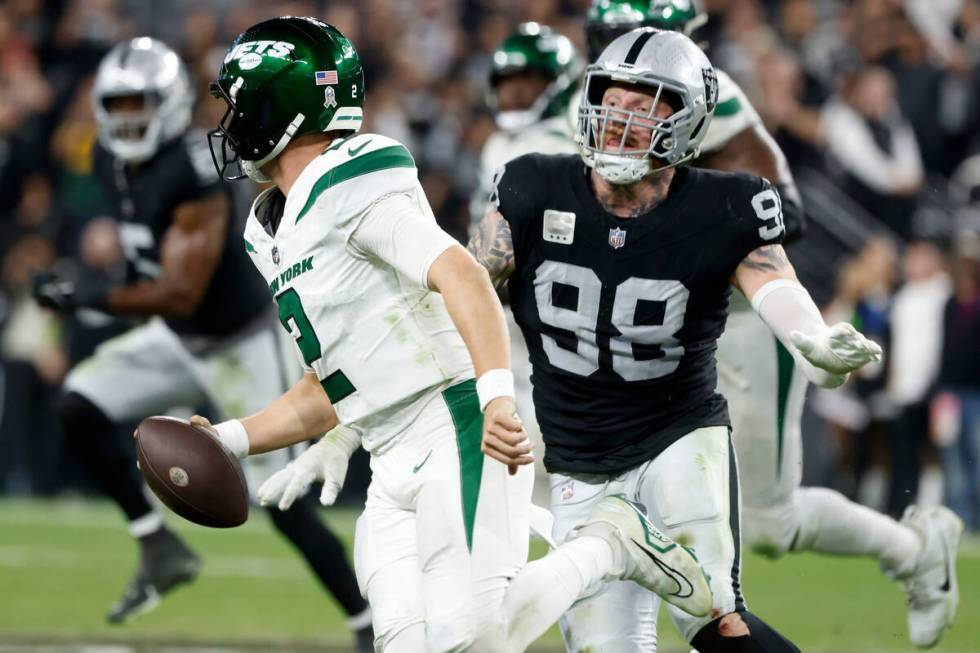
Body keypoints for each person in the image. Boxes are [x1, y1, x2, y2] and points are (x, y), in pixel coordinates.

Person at [201, 16, 710, 653]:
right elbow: (328, 380)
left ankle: (612, 542)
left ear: (281, 107)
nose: (227, 121)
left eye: (239, 103)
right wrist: (227, 439)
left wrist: (497, 396)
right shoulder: (266, 227)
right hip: (389, 458)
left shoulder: (350, 178)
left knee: (473, 643)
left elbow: (464, 276)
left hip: (456, 426)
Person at [466, 27, 886, 652]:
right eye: (610, 98)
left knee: (716, 619)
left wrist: (813, 340)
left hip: (678, 439)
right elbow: (466, 292)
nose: (619, 116)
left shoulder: (724, 204)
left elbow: (773, 283)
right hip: (580, 460)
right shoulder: (532, 186)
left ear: (688, 120)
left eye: (644, 105)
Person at [578, 2, 964, 649]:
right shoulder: (597, 102)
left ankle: (916, 549)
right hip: (667, 319)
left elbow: (778, 206)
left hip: (743, 318)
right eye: (609, 41)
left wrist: (693, 225)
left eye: (638, 39)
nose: (627, 62)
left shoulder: (709, 95)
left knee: (769, 522)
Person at [30, 38, 373, 647]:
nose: (129, 116)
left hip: (237, 341)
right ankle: (157, 546)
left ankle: (365, 622)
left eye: (141, 102)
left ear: (169, 101)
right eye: (119, 103)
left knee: (282, 499)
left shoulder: (192, 167)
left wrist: (86, 293)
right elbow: (154, 282)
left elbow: (181, 291)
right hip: (178, 338)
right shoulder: (109, 162)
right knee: (75, 405)